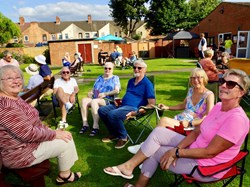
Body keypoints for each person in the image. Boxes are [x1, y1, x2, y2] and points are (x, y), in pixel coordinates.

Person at [103, 69, 250, 187]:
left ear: (241, 92)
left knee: (155, 152)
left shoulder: (236, 120)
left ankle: (135, 179)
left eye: (230, 84)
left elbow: (209, 153)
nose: (223, 85)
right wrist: (176, 150)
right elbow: (197, 131)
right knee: (159, 132)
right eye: (223, 81)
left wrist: (177, 152)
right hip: (194, 147)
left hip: (206, 165)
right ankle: (128, 168)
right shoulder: (219, 107)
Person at [0, 65, 81, 184]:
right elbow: (27, 133)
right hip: (20, 153)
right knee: (66, 140)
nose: (16, 81)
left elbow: (30, 123)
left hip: (27, 145)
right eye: (9, 78)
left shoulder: (13, 98)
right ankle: (65, 175)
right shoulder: (6, 106)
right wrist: (53, 134)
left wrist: (46, 129)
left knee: (64, 135)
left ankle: (65, 173)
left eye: (18, 77)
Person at [128, 68, 215, 154]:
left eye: (199, 77)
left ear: (204, 78)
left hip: (193, 125)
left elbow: (208, 117)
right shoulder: (191, 91)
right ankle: (148, 151)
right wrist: (167, 107)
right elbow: (183, 105)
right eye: (193, 78)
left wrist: (191, 123)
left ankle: (144, 147)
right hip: (181, 119)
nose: (196, 80)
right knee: (161, 132)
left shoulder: (209, 95)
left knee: (164, 121)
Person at [98, 59, 156, 149]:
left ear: (145, 69)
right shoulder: (131, 81)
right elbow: (130, 95)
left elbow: (152, 104)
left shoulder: (147, 84)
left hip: (134, 108)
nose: (136, 69)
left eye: (139, 68)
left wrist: (138, 112)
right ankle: (115, 133)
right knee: (102, 110)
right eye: (134, 67)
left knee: (112, 114)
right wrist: (120, 101)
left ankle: (123, 137)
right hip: (122, 105)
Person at [80, 62, 121, 136]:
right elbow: (94, 89)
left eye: (109, 68)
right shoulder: (99, 77)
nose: (107, 70)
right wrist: (91, 92)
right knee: (84, 100)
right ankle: (85, 124)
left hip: (108, 99)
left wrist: (105, 94)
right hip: (96, 97)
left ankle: (96, 127)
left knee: (94, 102)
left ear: (113, 69)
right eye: (106, 68)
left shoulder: (115, 78)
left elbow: (116, 90)